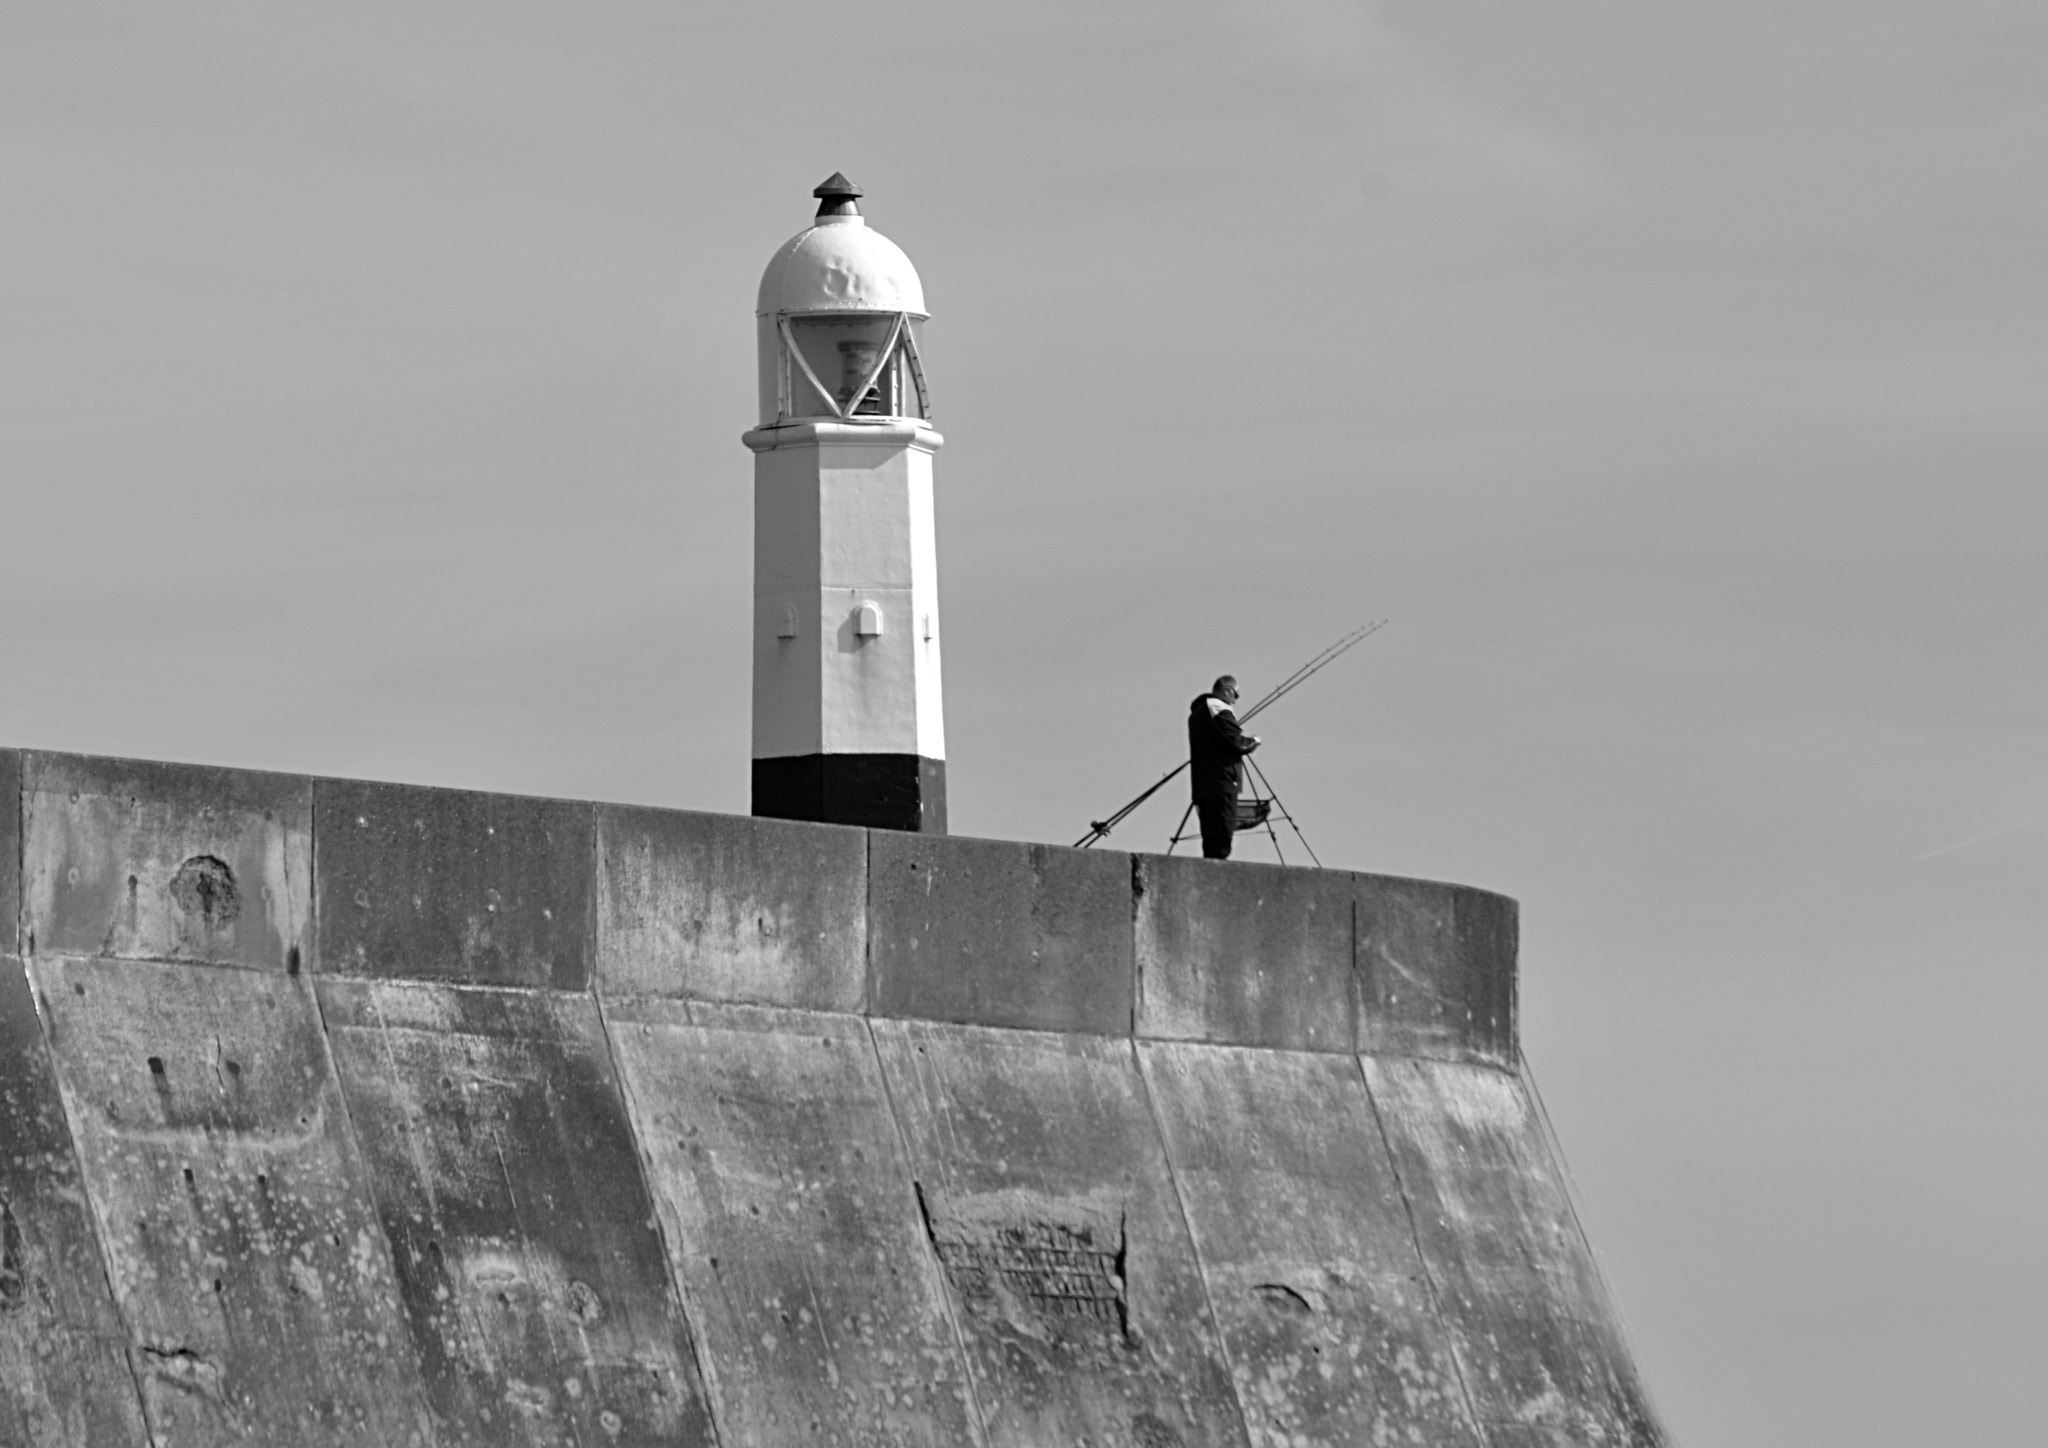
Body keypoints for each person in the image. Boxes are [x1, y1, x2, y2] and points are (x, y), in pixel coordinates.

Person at [1188, 675, 1260, 859]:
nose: (1235, 701)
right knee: (1222, 834)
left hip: (1202, 784)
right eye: (1235, 695)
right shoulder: (1217, 706)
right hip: (1222, 782)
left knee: (1210, 837)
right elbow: (1236, 742)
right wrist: (1253, 741)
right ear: (1227, 690)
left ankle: (1211, 871)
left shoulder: (1197, 712)